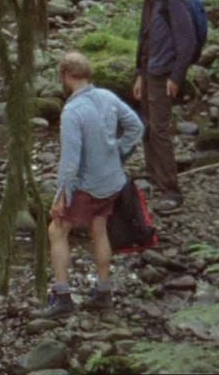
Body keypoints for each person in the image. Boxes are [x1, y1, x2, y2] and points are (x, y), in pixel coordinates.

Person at [39, 51, 144, 318]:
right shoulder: (108, 97)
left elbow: (71, 160)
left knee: (57, 229)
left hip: (88, 185)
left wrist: (61, 195)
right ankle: (103, 291)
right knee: (99, 228)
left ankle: (62, 295)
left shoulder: (72, 111)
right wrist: (119, 153)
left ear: (65, 76)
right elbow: (136, 127)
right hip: (112, 181)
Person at [132, 0, 196, 214]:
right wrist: (138, 73)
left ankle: (172, 190)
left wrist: (176, 77)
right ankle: (154, 177)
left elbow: (187, 41)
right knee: (146, 126)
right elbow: (144, 37)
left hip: (163, 74)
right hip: (148, 72)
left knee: (159, 130)